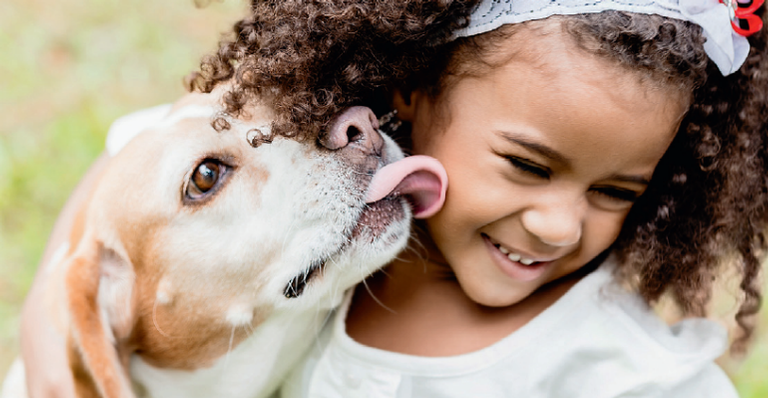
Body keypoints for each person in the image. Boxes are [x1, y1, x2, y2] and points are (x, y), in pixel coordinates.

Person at [17, 0, 768, 397]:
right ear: (410, 87)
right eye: (526, 165)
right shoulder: (357, 181)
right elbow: (147, 149)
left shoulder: (615, 368)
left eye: (614, 190)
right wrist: (60, 299)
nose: (557, 222)